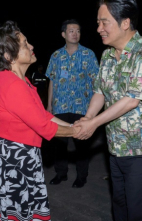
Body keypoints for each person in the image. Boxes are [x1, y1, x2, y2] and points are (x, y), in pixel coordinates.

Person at [0, 20, 81, 221]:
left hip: (18, 157)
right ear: (9, 55)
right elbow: (43, 126)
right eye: (25, 44)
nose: (32, 47)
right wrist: (78, 131)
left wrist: (73, 125)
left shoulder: (22, 81)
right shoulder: (8, 82)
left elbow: (43, 115)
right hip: (7, 162)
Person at [74, 0, 142, 221]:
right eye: (98, 22)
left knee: (139, 212)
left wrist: (94, 123)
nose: (99, 28)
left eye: (104, 22)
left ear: (125, 22)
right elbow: (99, 90)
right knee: (120, 207)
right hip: (117, 147)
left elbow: (131, 99)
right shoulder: (107, 55)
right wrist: (87, 118)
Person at [45, 19, 99, 188]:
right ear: (63, 34)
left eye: (78, 31)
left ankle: (81, 176)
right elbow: (52, 81)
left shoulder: (88, 54)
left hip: (82, 106)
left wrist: (93, 109)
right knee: (60, 143)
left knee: (81, 142)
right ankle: (61, 174)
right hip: (60, 105)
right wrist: (49, 106)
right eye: (71, 31)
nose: (75, 34)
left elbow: (96, 81)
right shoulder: (56, 56)